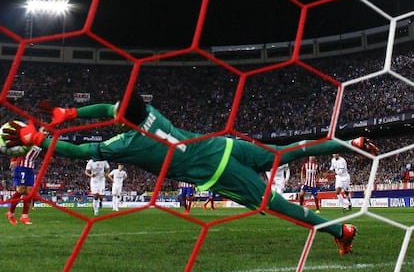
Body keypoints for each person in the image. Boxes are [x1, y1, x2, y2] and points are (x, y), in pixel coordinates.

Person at [3, 96, 379, 254]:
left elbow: (83, 150)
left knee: (277, 205)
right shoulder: (149, 114)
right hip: (226, 145)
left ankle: (340, 231)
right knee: (286, 152)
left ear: (122, 120)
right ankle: (350, 142)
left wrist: (42, 138)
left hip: (216, 172)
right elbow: (109, 106)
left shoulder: (125, 146)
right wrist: (70, 113)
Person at [5, 145, 43, 225]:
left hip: (30, 168)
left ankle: (24, 216)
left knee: (29, 191)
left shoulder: (43, 142)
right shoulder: (31, 138)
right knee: (21, 189)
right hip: (21, 166)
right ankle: (11, 213)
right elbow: (18, 148)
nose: (46, 132)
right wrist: (13, 160)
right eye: (44, 131)